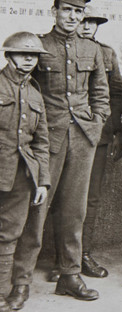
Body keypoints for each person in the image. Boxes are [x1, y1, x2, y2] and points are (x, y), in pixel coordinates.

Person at [8, 0, 110, 310]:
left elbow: (101, 94)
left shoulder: (93, 50)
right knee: (36, 211)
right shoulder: (39, 46)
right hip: (46, 141)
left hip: (82, 138)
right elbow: (25, 90)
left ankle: (70, 275)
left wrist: (96, 123)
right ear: (55, 11)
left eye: (78, 12)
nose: (72, 17)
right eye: (67, 10)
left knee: (74, 212)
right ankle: (20, 283)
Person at [0, 32, 50, 312]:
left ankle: (7, 292)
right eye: (22, 54)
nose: (29, 59)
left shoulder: (34, 93)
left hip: (22, 176)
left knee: (11, 234)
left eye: (34, 55)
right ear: (9, 55)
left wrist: (43, 181)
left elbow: (42, 143)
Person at [76, 6, 122, 278]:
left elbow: (116, 94)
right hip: (66, 134)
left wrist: (115, 131)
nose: (85, 26)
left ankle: (83, 253)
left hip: (98, 135)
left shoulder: (106, 53)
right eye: (82, 21)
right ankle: (63, 259)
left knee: (91, 197)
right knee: (62, 197)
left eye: (91, 22)